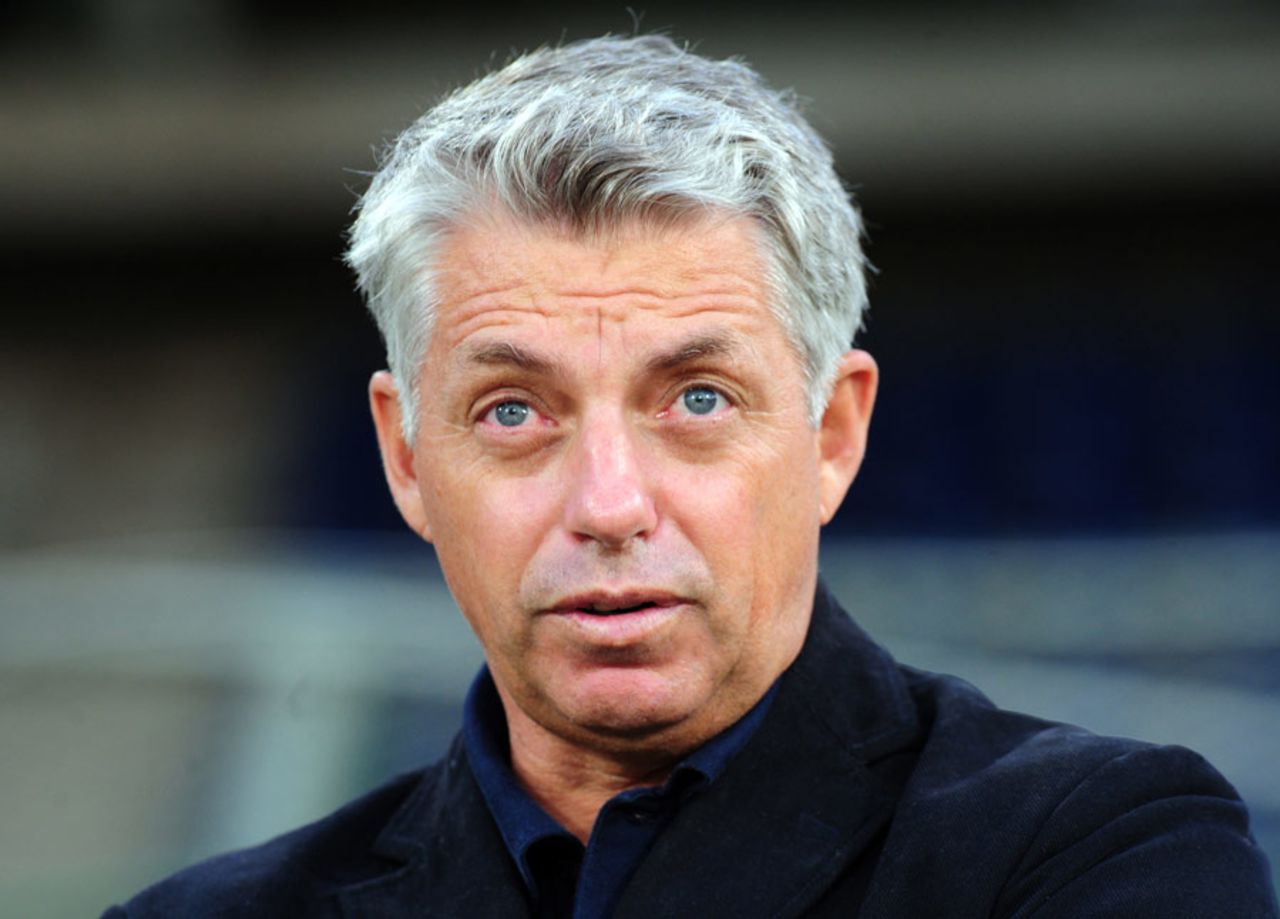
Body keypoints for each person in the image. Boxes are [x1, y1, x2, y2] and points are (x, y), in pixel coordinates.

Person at [105, 34, 1276, 918]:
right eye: (513, 411)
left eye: (696, 400)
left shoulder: (1102, 850)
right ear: (407, 457)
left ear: (830, 434)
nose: (609, 504)